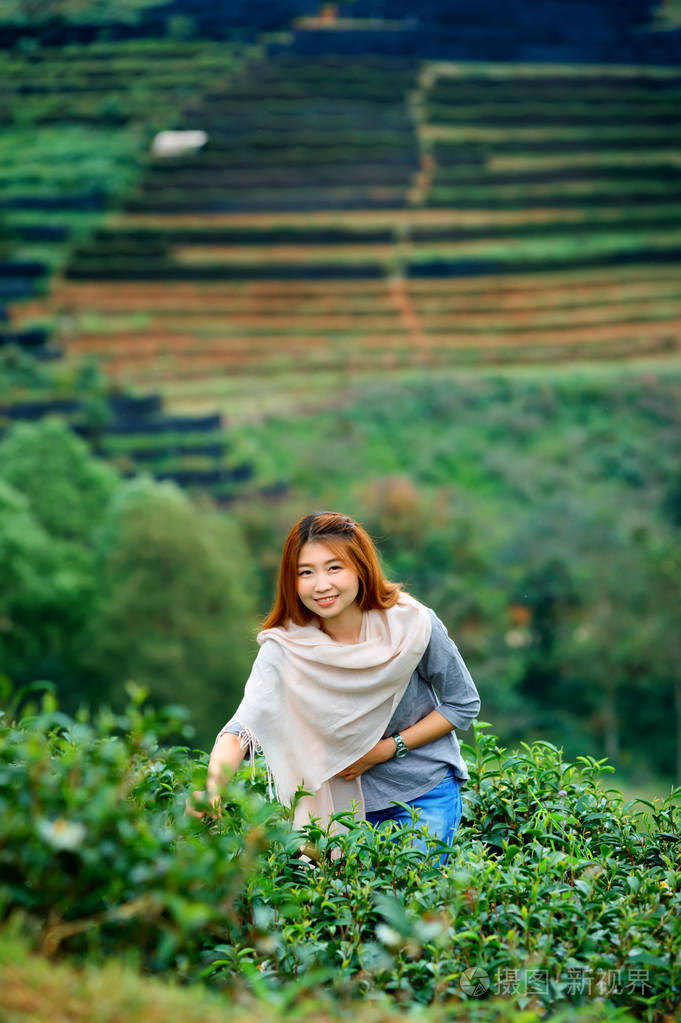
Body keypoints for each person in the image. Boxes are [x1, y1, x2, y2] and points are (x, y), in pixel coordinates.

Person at [188, 511, 481, 862]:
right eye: (306, 573)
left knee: (406, 909)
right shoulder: (287, 649)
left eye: (334, 568)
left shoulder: (413, 625)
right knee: (351, 914)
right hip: (340, 814)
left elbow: (461, 704)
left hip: (423, 795)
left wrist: (385, 749)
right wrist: (212, 788)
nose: (321, 585)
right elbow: (242, 730)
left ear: (360, 567)